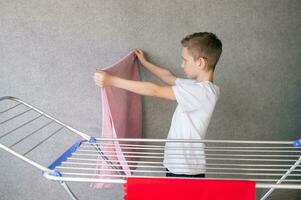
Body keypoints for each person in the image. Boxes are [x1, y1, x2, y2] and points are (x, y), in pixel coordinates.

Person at [94, 32, 222, 178]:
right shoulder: (197, 87)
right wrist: (145, 63)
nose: (182, 64)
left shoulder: (202, 93)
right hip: (179, 165)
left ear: (200, 63)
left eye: (185, 60)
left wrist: (111, 81)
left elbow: (154, 90)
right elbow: (168, 77)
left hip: (185, 169)